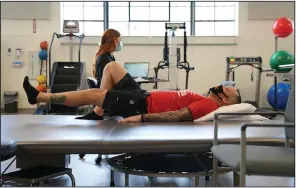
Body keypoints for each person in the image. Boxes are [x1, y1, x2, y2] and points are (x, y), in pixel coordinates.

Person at [23, 62, 241, 123]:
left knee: (93, 93)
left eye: (230, 89)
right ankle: (100, 111)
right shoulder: (206, 97)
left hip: (140, 105)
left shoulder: (209, 106)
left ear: (225, 100)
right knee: (112, 67)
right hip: (143, 95)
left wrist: (141, 117)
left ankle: (40, 97)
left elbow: (177, 116)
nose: (226, 85)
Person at [77, 28, 124, 120]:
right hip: (105, 93)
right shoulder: (104, 58)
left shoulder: (109, 56)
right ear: (113, 41)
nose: (120, 42)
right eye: (119, 39)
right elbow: (107, 81)